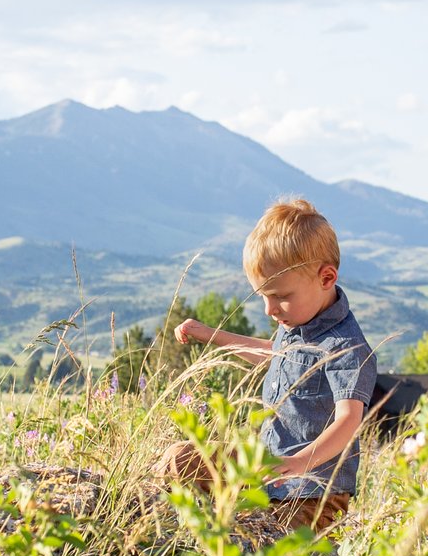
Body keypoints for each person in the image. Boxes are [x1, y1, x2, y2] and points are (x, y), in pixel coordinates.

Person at [160, 197, 377, 532]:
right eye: (262, 296)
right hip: (265, 468)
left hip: (314, 492)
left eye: (280, 296)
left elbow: (349, 420)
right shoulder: (295, 323)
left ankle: (244, 527)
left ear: (326, 277)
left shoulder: (345, 347)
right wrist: (211, 335)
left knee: (269, 540)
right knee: (179, 458)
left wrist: (297, 462)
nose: (269, 310)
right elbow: (272, 354)